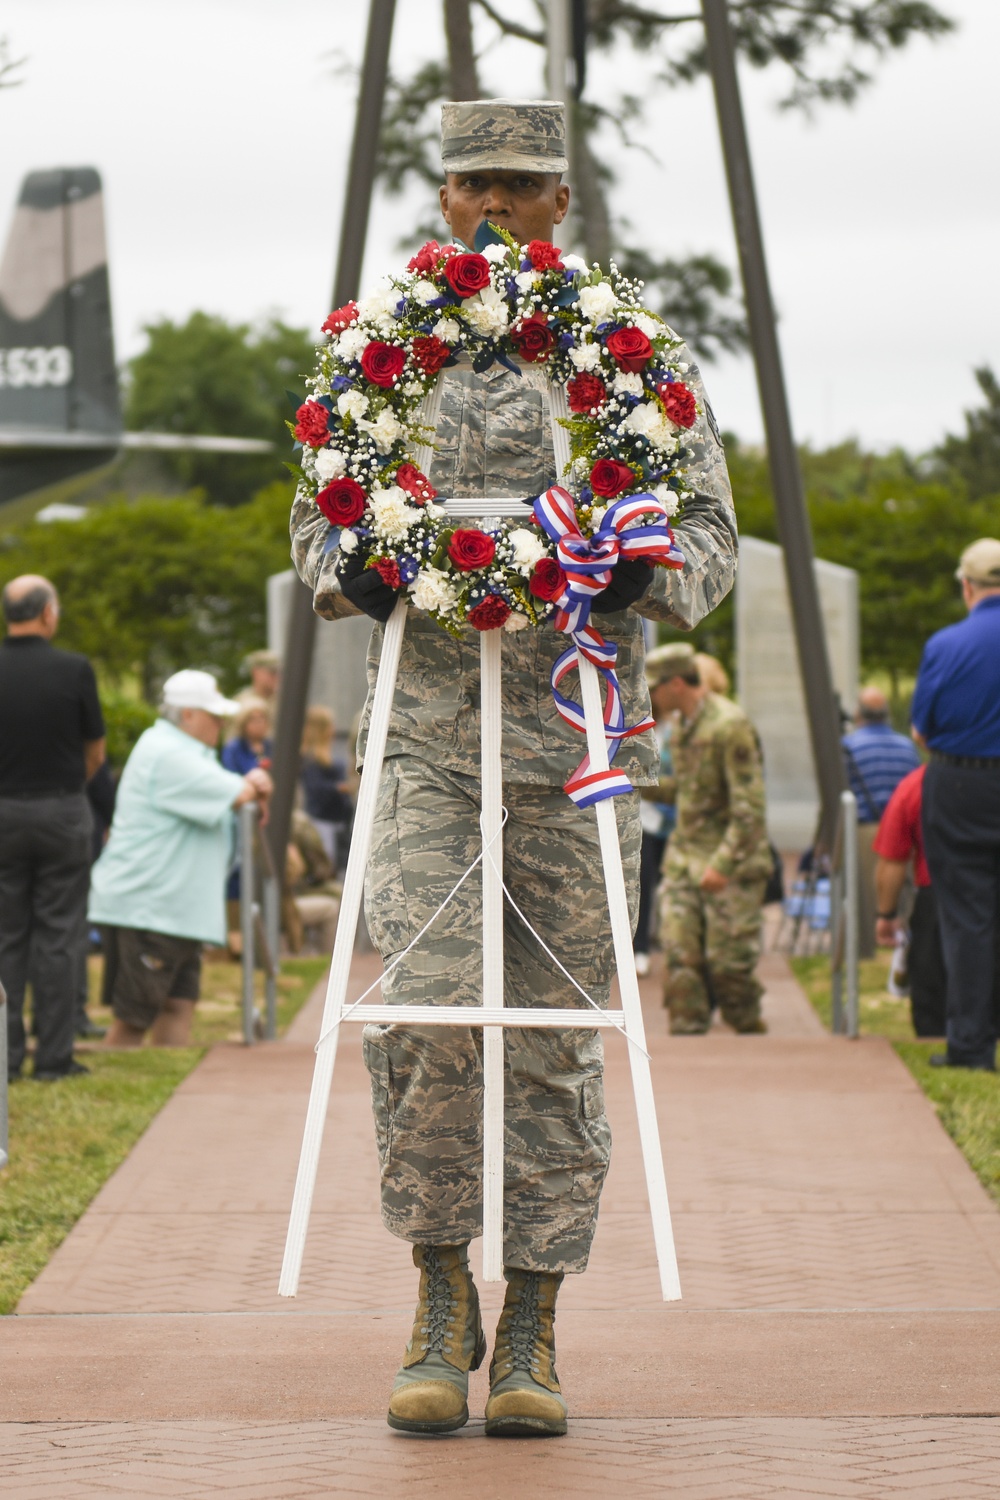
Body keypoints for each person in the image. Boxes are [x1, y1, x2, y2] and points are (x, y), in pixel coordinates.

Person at [290, 99, 737, 1439]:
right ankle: (438, 1299)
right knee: (426, 1019)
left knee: (548, 1036)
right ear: (441, 197)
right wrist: (355, 566)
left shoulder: (628, 355)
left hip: (564, 739)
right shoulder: (388, 358)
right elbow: (321, 518)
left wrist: (649, 568)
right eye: (471, 180)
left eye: (519, 184)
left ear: (560, 203)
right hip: (426, 743)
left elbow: (708, 532)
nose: (493, 203)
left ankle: (535, 1317)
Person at [88, 670, 271, 1049]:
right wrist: (253, 785)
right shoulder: (168, 753)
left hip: (171, 908)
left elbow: (235, 792)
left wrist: (250, 788)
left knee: (177, 1005)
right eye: (213, 715)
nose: (221, 723)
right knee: (135, 1018)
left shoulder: (178, 750)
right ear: (187, 714)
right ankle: (121, 1085)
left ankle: (151, 1077)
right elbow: (235, 792)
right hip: (153, 906)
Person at [0, 575, 105, 1082]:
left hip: (2, 813)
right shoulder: (74, 669)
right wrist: (68, 789)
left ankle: (6, 1057)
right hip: (62, 811)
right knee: (60, 935)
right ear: (47, 614)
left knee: (6, 936)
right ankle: (54, 1058)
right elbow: (96, 752)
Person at [911, 537, 1000, 1072]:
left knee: (967, 919)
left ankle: (970, 1046)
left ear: (967, 587)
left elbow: (922, 728)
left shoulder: (947, 644)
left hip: (960, 785)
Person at [653, 643, 772, 1035]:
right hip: (685, 856)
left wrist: (723, 865)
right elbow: (687, 791)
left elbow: (748, 806)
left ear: (675, 684)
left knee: (729, 967)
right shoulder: (681, 727)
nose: (648, 695)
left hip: (729, 861)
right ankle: (689, 1047)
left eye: (654, 687)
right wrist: (632, 781)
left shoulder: (728, 725)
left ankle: (749, 1040)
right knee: (680, 960)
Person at [842, 686, 920, 958]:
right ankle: (908, 944)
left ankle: (867, 948)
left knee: (867, 892)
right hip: (906, 828)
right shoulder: (906, 745)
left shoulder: (849, 746)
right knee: (907, 891)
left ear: (859, 714)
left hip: (867, 827)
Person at [872, 765, 946, 1037]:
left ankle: (939, 1042)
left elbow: (892, 859)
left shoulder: (916, 785)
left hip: (935, 897)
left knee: (932, 990)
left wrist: (886, 913)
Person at [633, 655, 678, 977]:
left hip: (676, 817)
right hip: (646, 818)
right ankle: (640, 947)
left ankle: (668, 942)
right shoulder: (640, 724)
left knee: (671, 884)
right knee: (643, 883)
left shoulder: (678, 727)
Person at [299, 704, 352, 870]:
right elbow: (315, 789)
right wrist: (338, 788)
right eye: (330, 726)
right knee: (327, 866)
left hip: (338, 822)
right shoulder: (310, 759)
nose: (333, 730)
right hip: (321, 821)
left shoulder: (328, 757)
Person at [284, 811, 340, 955]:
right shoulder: (297, 822)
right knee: (332, 908)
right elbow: (317, 868)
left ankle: (315, 954)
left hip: (284, 896)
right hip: (283, 903)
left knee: (340, 893)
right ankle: (329, 963)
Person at [222, 698, 272, 776]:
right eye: (253, 719)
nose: (258, 723)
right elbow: (230, 777)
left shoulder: (273, 746)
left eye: (262, 718)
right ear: (243, 724)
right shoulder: (233, 748)